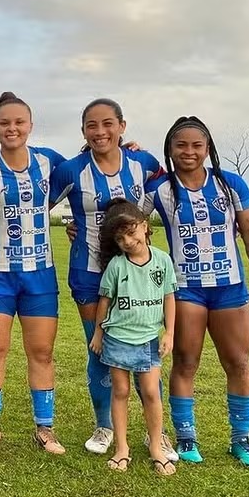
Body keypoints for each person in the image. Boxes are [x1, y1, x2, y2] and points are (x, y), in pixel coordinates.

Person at [50, 98, 177, 461]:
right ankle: (104, 425)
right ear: (83, 131)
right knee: (101, 348)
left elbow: (169, 189)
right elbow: (33, 205)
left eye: (108, 123)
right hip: (90, 274)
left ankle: (159, 433)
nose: (100, 131)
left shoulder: (143, 162)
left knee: (147, 348)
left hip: (140, 275)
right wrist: (70, 223)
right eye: (92, 125)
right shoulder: (72, 170)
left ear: (122, 126)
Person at [144, 115, 249, 468]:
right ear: (170, 149)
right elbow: (129, 221)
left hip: (230, 287)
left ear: (208, 148)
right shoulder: (161, 189)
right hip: (186, 290)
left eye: (197, 145)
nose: (189, 152)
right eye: (181, 145)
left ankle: (241, 440)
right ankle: (186, 437)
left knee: (239, 362)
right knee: (186, 362)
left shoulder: (230, 184)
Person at [0, 92, 66, 455]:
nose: (12, 128)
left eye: (19, 121)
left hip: (40, 275)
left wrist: (126, 147)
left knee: (42, 352)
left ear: (31, 125)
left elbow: (90, 169)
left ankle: (45, 429)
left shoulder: (50, 162)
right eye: (4, 123)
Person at [88, 199, 177, 475]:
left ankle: (156, 447)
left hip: (149, 339)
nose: (128, 240)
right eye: (120, 237)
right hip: (118, 338)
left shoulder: (162, 260)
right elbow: (104, 302)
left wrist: (170, 332)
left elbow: (169, 298)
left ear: (145, 226)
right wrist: (99, 333)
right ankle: (122, 448)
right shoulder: (116, 265)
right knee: (122, 391)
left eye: (131, 231)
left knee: (151, 391)